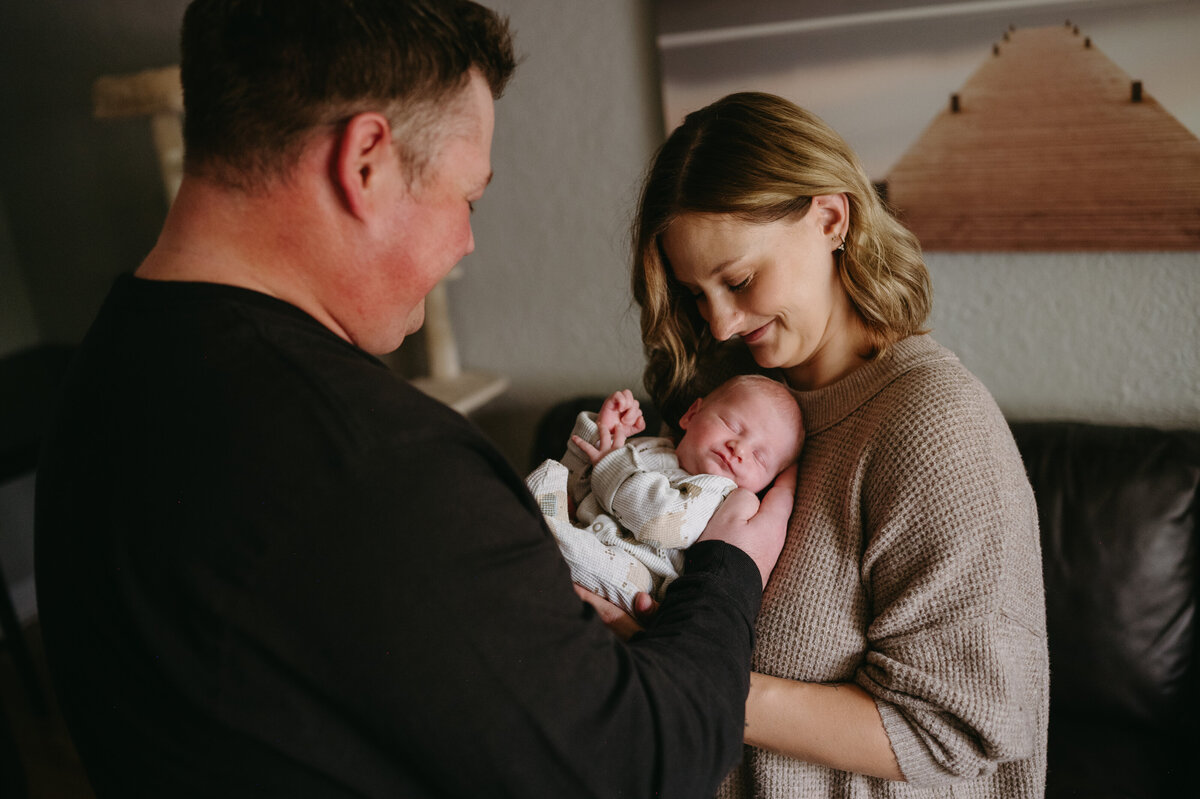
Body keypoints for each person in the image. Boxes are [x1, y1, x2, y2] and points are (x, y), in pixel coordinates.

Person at [33, 4, 797, 797]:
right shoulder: (376, 465)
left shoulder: (102, 374)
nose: (467, 240)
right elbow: (644, 765)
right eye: (467, 197)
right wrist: (732, 566)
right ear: (365, 161)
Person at [626, 92, 1049, 797]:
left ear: (830, 218)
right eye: (697, 294)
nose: (721, 322)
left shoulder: (933, 426)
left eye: (738, 280)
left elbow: (956, 732)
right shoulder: (734, 404)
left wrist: (692, 677)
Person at [528, 375, 803, 612]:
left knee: (549, 542)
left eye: (759, 457)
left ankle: (543, 539)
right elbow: (579, 488)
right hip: (583, 536)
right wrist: (604, 433)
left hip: (631, 577)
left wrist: (611, 462)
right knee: (549, 475)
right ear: (691, 414)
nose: (739, 448)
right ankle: (544, 536)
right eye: (732, 425)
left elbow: (660, 521)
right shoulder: (651, 448)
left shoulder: (718, 494)